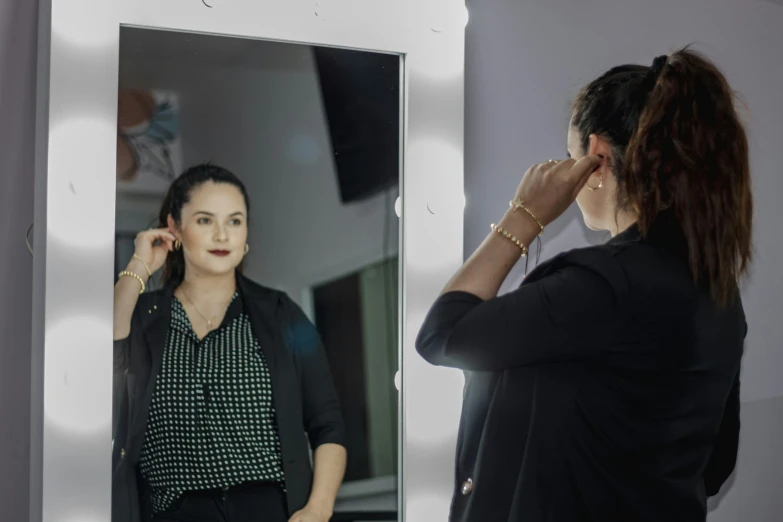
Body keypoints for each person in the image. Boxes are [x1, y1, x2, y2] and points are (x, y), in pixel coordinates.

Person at [416, 48, 751, 522]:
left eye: (570, 155)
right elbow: (714, 466)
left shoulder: (603, 284)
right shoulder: (718, 295)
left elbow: (443, 335)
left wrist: (524, 214)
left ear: (595, 159)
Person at [112, 163, 347, 522]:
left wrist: (318, 509)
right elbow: (102, 350)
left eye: (234, 221)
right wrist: (140, 265)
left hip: (268, 509)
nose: (222, 235)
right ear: (174, 227)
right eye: (206, 220)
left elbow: (327, 423)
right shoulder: (143, 316)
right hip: (174, 513)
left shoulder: (280, 313)